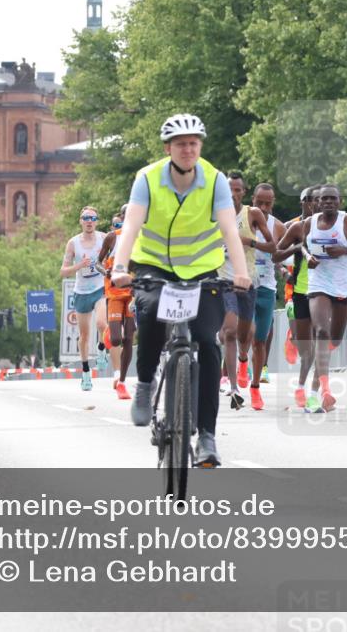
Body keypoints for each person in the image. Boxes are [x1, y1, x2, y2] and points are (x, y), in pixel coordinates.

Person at [111, 113, 251, 468]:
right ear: (168, 148)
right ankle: (144, 384)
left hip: (203, 271)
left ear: (200, 146)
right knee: (153, 317)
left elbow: (229, 231)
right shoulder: (148, 178)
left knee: (206, 341)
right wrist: (119, 267)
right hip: (154, 266)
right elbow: (131, 226)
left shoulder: (215, 180)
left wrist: (242, 273)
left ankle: (206, 437)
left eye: (193, 143)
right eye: (180, 144)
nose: (187, 150)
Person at [279, 185, 347, 412]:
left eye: (333, 198)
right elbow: (276, 252)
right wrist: (300, 250)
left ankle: (317, 387)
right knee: (321, 332)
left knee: (334, 339)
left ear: (340, 201)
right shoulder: (304, 226)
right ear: (316, 203)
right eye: (324, 199)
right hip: (317, 284)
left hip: (343, 286)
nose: (329, 202)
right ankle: (319, 392)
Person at [218, 171, 274, 409]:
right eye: (229, 189)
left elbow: (272, 246)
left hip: (247, 281)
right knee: (229, 332)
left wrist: (249, 241)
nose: (233, 193)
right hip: (222, 281)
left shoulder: (252, 214)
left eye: (237, 189)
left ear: (243, 191)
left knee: (245, 335)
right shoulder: (213, 215)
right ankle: (233, 388)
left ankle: (243, 361)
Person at [274, 186, 320, 408]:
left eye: (316, 200)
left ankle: (311, 391)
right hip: (295, 290)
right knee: (305, 347)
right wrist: (284, 273)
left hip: (322, 291)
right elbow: (277, 255)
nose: (314, 204)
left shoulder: (329, 226)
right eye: (309, 200)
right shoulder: (292, 227)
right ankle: (293, 335)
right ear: (301, 203)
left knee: (318, 343)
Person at [60, 206, 107, 391]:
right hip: (81, 292)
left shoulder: (104, 239)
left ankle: (102, 348)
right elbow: (63, 271)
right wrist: (79, 265)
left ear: (97, 221)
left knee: (103, 324)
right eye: (86, 218)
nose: (89, 221)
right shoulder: (73, 243)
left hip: (100, 287)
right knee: (84, 336)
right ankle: (86, 372)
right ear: (81, 221)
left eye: (93, 218)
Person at [248, 182, 286, 409]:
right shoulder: (241, 219)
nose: (263, 207)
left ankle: (255, 387)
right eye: (259, 202)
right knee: (245, 333)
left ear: (273, 204)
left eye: (267, 203)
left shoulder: (278, 226)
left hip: (267, 288)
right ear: (252, 200)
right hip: (244, 285)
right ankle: (241, 364)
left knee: (260, 340)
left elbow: (278, 252)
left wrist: (281, 268)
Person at [98, 206, 135, 400]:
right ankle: (109, 333)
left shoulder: (142, 238)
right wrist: (108, 273)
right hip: (113, 293)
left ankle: (121, 382)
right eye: (125, 216)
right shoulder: (112, 237)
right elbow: (97, 263)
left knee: (129, 338)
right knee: (116, 340)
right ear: (121, 217)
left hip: (132, 294)